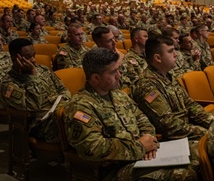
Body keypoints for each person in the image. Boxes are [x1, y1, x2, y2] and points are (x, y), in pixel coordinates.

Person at [62, 48, 197, 180]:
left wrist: (148, 138)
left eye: (119, 70)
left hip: (143, 155)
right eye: (113, 72)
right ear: (96, 78)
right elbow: (93, 148)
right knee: (183, 175)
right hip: (116, 169)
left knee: (198, 153)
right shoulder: (80, 106)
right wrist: (140, 147)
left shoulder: (119, 95)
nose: (119, 75)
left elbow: (142, 118)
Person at [0, 38, 71, 143]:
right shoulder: (8, 84)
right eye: (28, 57)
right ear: (15, 58)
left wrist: (62, 101)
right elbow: (33, 106)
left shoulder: (43, 69)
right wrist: (32, 75)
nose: (33, 60)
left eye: (34, 55)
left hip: (61, 113)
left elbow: (63, 89)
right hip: (41, 125)